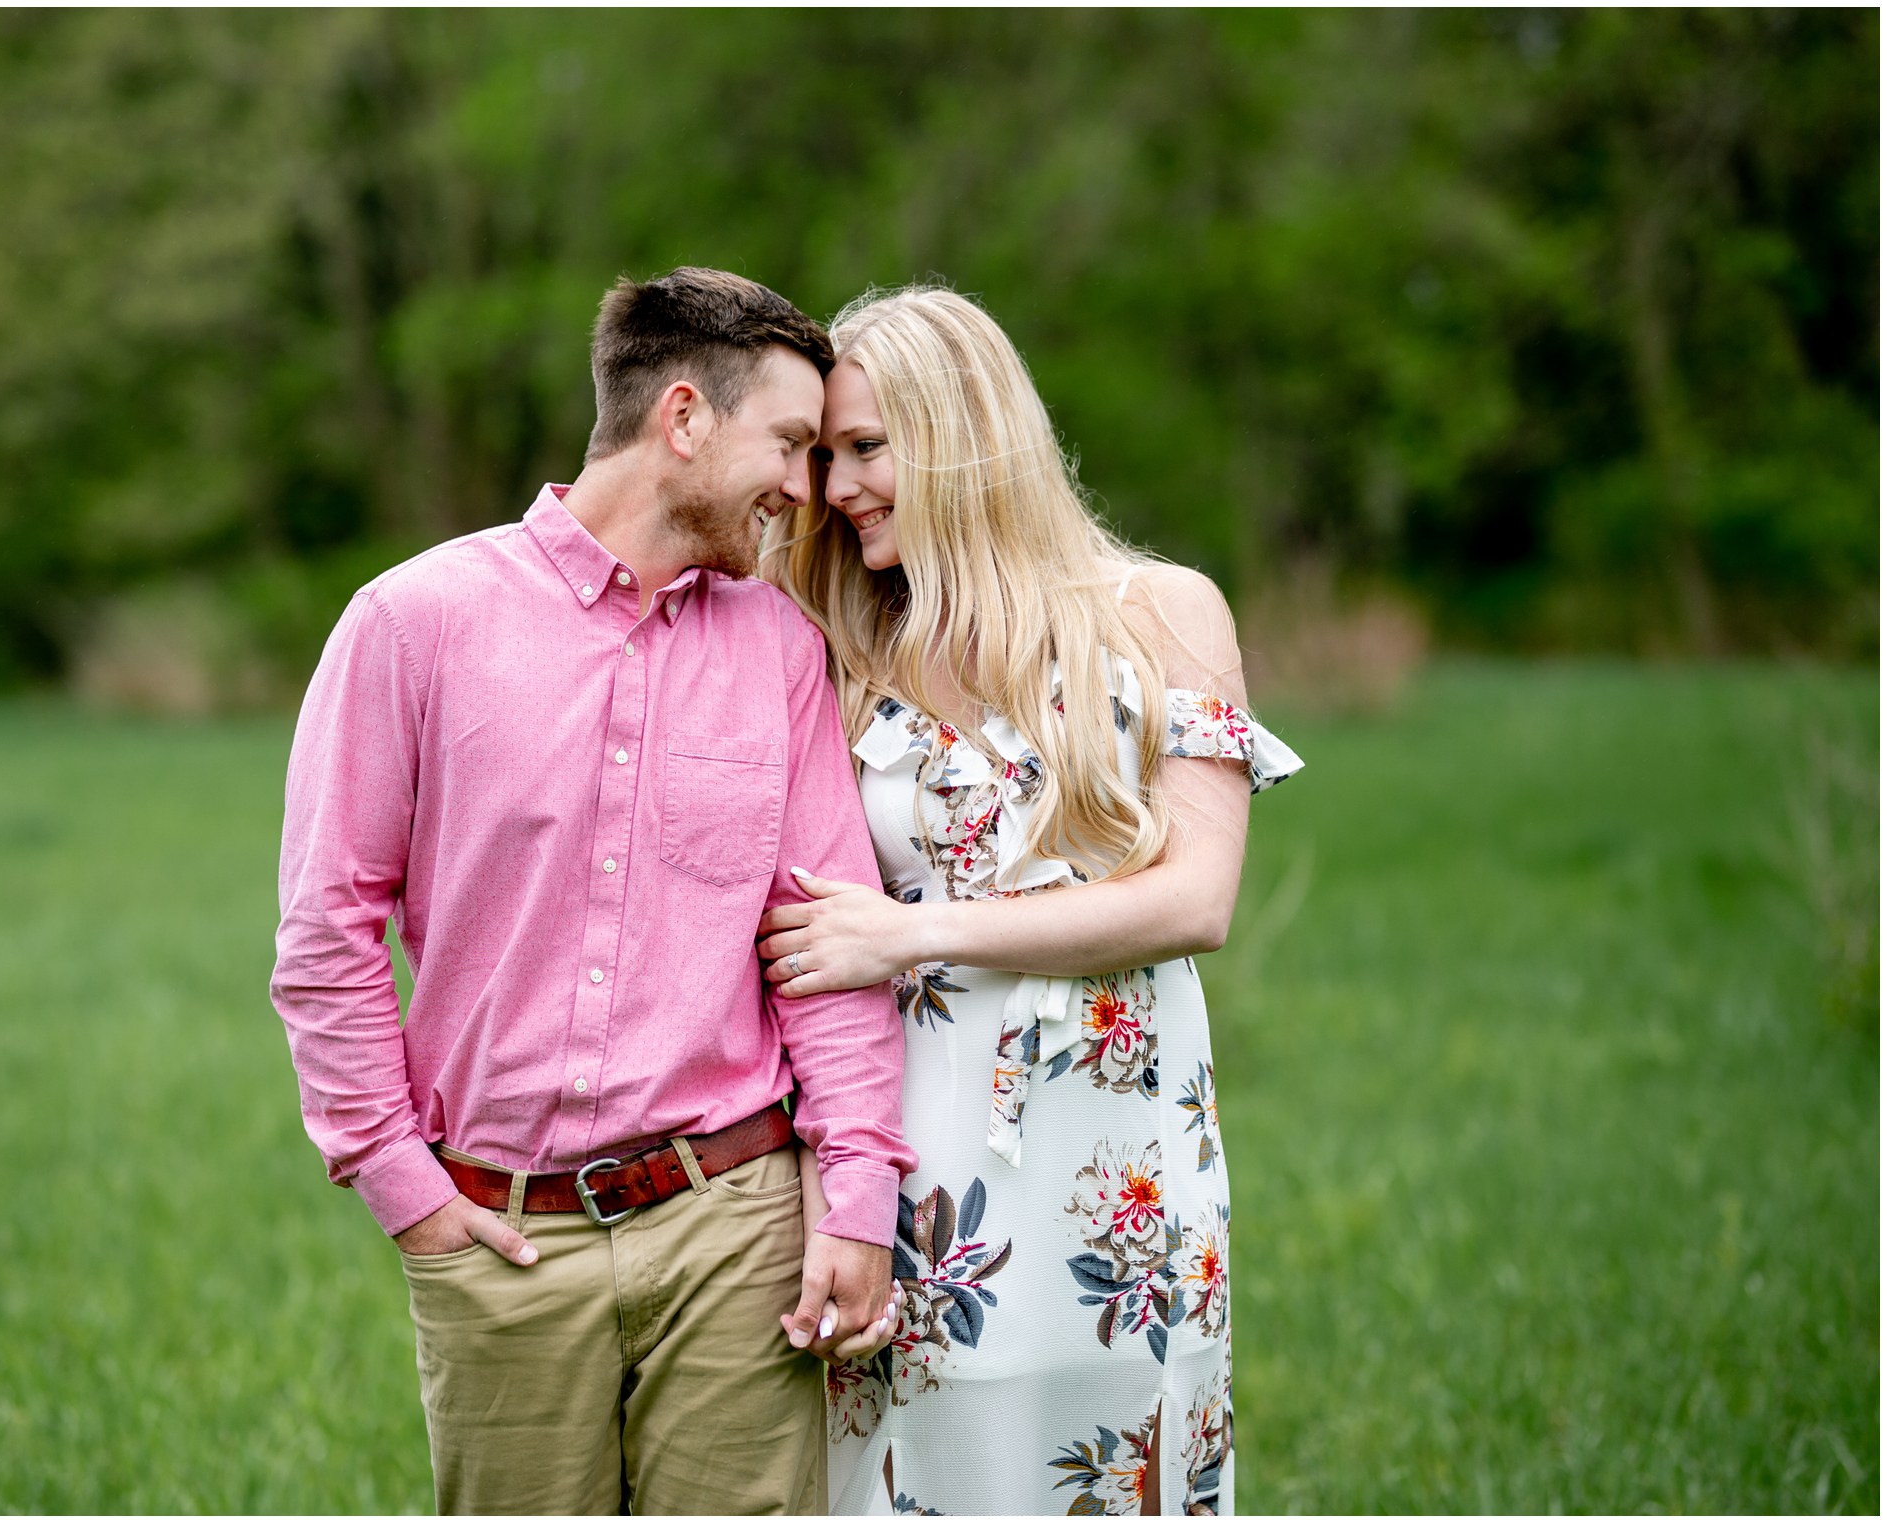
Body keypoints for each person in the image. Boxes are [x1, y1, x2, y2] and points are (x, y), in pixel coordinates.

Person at [269, 267, 915, 1514]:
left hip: (738, 1232)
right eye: (786, 442)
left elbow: (822, 945)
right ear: (683, 419)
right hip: (503, 1241)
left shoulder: (782, 649)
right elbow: (325, 932)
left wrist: (858, 1199)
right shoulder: (413, 623)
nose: (807, 486)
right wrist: (406, 1191)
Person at [757, 286, 1304, 1516]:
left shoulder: (1162, 616)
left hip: (1117, 1146)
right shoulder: (833, 645)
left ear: (961, 434)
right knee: (910, 1463)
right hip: (905, 1138)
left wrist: (915, 929)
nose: (835, 487)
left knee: (1111, 1447)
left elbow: (1196, 898)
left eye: (867, 448)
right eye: (824, 454)